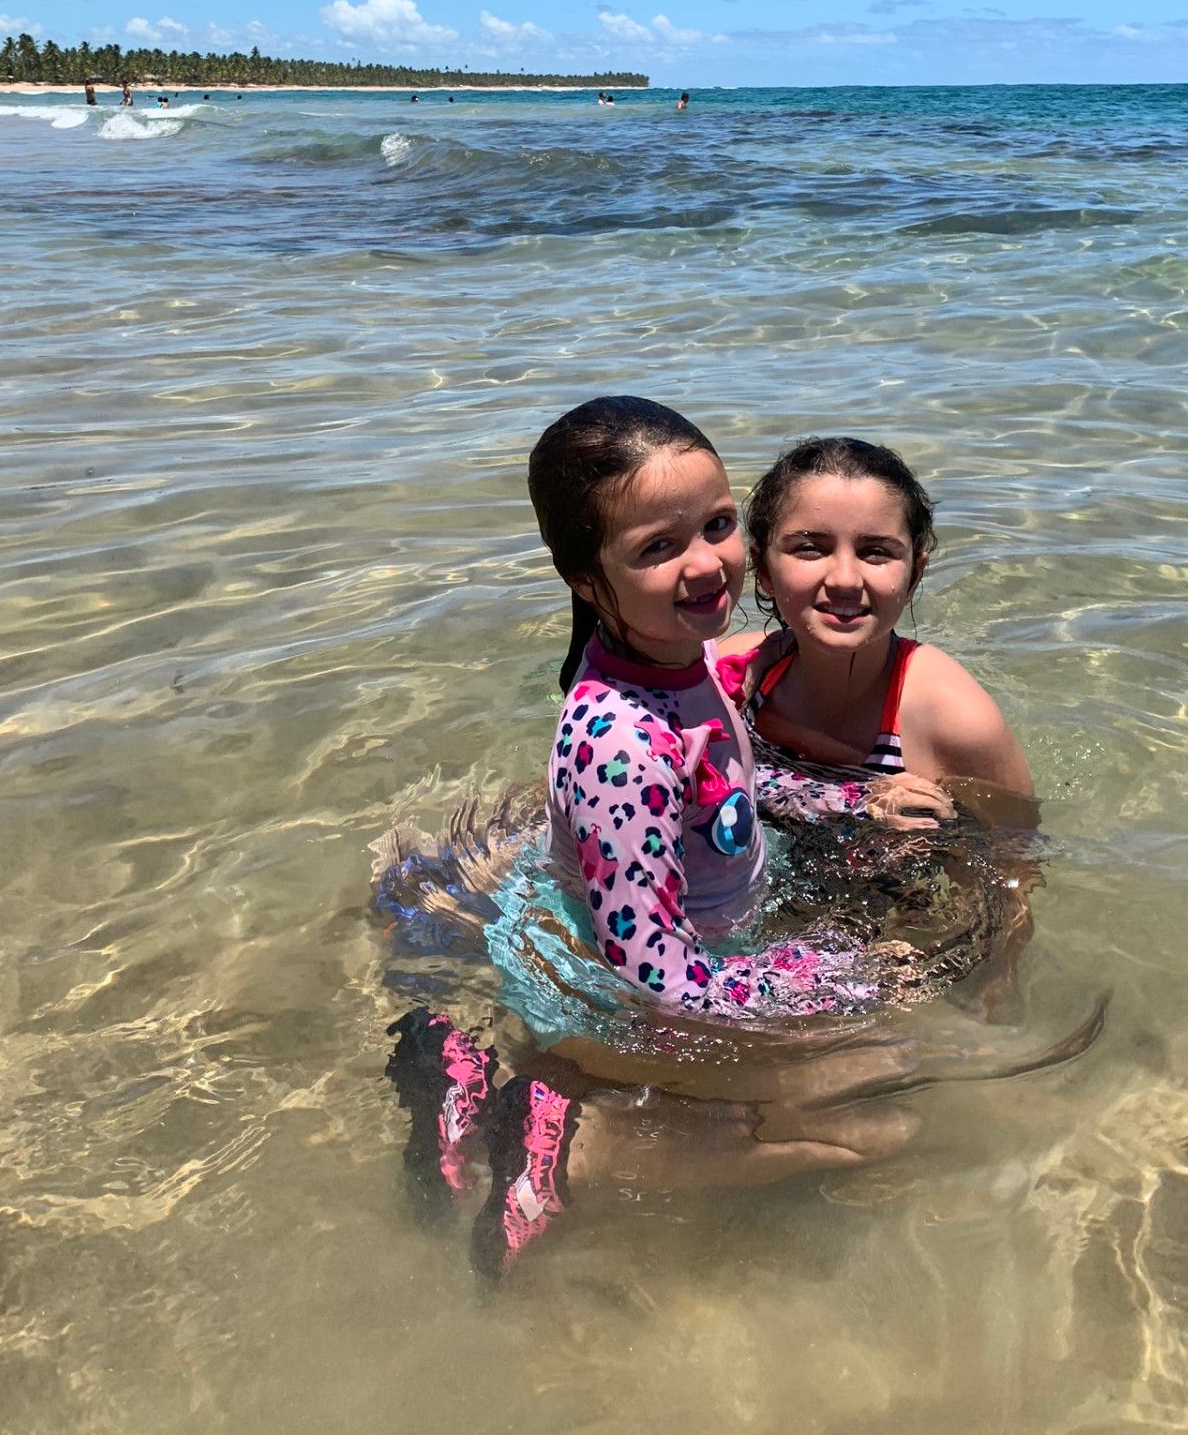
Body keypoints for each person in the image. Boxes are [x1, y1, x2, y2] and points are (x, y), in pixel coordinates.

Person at [386, 399, 953, 1280]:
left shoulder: (680, 662)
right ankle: (559, 1142)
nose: (707, 565)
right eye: (658, 546)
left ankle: (519, 1094)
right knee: (878, 1126)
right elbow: (654, 976)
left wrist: (848, 804)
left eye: (719, 526)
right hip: (597, 990)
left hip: (678, 951)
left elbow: (729, 784)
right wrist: (830, 978)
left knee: (885, 1091)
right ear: (585, 577)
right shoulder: (621, 743)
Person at [721, 437, 1032, 796]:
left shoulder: (956, 722)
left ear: (914, 574)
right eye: (810, 548)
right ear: (763, 569)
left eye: (876, 552)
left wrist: (942, 838)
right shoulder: (734, 677)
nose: (845, 580)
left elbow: (1016, 851)